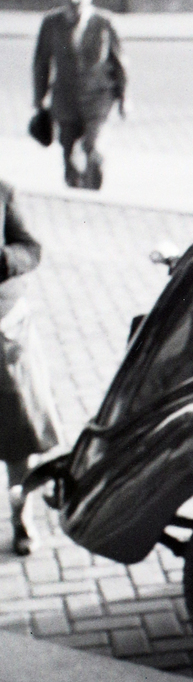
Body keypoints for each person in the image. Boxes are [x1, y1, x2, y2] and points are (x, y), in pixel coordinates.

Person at [0, 182, 62, 555]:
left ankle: (21, 515)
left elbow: (30, 248)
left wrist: (4, 258)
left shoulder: (2, 191)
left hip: (5, 332)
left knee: (19, 435)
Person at [32, 0, 125, 191]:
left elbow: (120, 62)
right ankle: (75, 190)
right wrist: (39, 97)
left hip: (98, 96)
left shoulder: (105, 22)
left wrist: (124, 98)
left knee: (94, 146)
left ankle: (94, 183)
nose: (73, 0)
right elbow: (41, 61)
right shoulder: (51, 23)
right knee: (68, 148)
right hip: (65, 98)